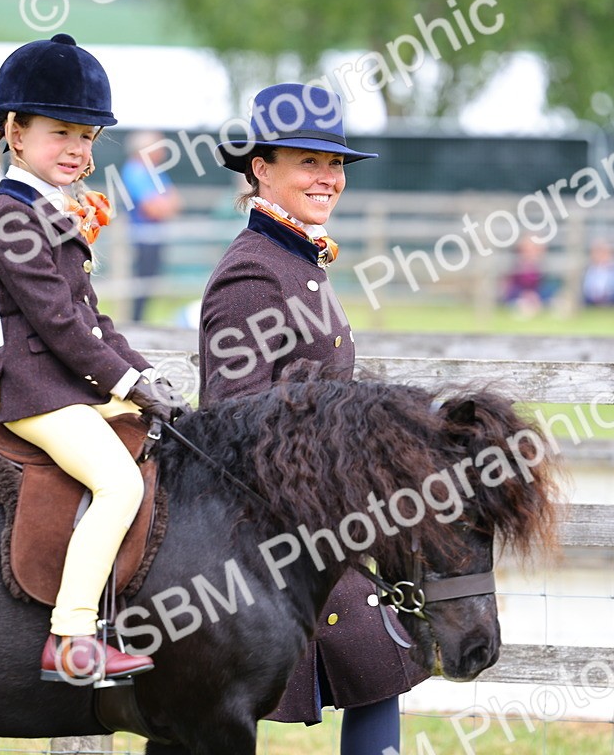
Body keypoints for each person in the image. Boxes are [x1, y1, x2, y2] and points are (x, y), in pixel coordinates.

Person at [199, 83, 428, 754]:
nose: (327, 178)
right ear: (260, 169)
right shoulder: (252, 273)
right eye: (308, 162)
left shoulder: (298, 259)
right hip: (274, 530)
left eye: (334, 166)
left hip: (326, 520)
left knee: (380, 668)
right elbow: (232, 422)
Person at [0, 33, 191, 686]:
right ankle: (71, 637)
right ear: (15, 131)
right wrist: (125, 381)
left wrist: (145, 377)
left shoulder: (50, 211)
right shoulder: (12, 218)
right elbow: (62, 327)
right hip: (36, 393)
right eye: (62, 132)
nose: (78, 150)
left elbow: (95, 319)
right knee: (118, 483)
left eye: (89, 138)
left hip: (69, 385)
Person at [121, 130, 182, 322]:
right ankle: (134, 325)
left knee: (150, 285)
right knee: (139, 287)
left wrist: (163, 205)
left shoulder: (155, 171)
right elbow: (154, 208)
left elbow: (176, 203)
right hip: (139, 239)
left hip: (154, 237)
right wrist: (163, 205)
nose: (162, 151)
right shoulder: (135, 171)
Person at [581, 237, 614, 306]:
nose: (600, 255)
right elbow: (586, 290)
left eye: (602, 252)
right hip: (592, 303)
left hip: (613, 303)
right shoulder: (589, 270)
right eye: (597, 252)